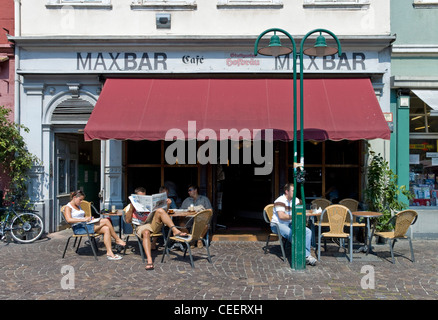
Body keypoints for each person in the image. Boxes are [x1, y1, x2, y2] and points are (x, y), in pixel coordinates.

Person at [125, 187, 188, 271]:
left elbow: (164, 214)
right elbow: (127, 221)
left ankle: (175, 230)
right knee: (146, 233)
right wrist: (132, 209)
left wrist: (168, 205)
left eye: (144, 197)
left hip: (152, 224)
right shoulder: (130, 206)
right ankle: (150, 261)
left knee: (160, 210)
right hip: (141, 226)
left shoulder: (148, 203)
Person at [64, 190, 126, 261]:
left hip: (86, 225)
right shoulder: (68, 207)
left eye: (82, 200)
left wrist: (89, 218)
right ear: (74, 197)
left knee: (106, 228)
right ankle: (117, 239)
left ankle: (109, 252)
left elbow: (81, 217)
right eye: (80, 200)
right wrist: (84, 220)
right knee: (106, 220)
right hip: (79, 228)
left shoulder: (78, 206)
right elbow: (69, 220)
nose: (81, 202)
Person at [271, 183, 317, 266]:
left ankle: (306, 255)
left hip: (289, 223)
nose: (295, 192)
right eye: (293, 190)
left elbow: (301, 210)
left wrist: (308, 212)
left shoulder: (295, 200)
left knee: (308, 231)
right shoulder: (279, 201)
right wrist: (295, 216)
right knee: (292, 234)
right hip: (277, 225)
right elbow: (281, 216)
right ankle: (302, 255)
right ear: (286, 191)